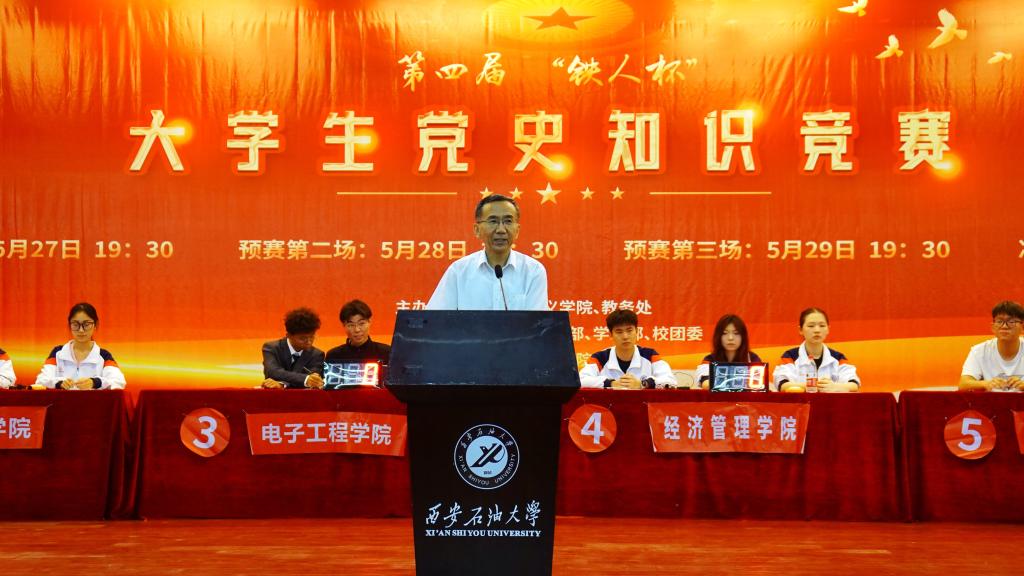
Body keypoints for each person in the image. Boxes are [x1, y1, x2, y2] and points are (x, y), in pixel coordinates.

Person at [427, 194, 548, 310]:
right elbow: (435, 318)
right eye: (493, 221)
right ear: (477, 230)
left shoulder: (533, 271)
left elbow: (538, 322)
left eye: (508, 221)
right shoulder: (459, 271)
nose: (501, 230)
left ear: (517, 230)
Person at [35, 302, 126, 390]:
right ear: (69, 325)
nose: (81, 330)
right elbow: (41, 381)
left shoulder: (103, 355)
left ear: (95, 325)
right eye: (75, 324)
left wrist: (95, 382)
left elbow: (119, 382)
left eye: (86, 325)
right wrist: (59, 383)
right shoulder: (58, 353)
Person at [580, 309, 678, 389]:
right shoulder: (599, 357)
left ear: (637, 331)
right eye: (619, 332)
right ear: (611, 334)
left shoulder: (650, 355)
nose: (625, 336)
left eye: (629, 330)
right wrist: (611, 383)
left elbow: (671, 381)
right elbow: (581, 380)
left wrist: (643, 384)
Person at [773, 308, 859, 392]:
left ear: (828, 329)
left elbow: (854, 384)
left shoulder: (838, 358)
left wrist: (835, 386)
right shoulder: (790, 356)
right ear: (800, 330)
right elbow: (782, 384)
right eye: (811, 326)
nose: (817, 330)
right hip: (801, 401)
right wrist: (813, 386)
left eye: (822, 326)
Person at [959, 300, 1024, 391]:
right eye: (999, 321)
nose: (1004, 326)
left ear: (1022, 327)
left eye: (1011, 321)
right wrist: (986, 383)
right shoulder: (979, 351)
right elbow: (963, 385)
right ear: (993, 327)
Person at [262, 307, 325, 389]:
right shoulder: (271, 348)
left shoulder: (317, 355)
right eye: (302, 338)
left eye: (312, 337)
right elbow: (273, 372)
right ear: (288, 335)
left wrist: (282, 384)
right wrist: (305, 379)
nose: (309, 341)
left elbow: (313, 380)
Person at [695, 314, 764, 389]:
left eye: (736, 333)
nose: (730, 338)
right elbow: (705, 383)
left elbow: (757, 385)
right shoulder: (710, 359)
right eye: (725, 333)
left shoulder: (753, 359)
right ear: (718, 336)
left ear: (743, 337)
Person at [325, 300, 391, 364]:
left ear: (370, 322)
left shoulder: (386, 353)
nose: (357, 330)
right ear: (344, 325)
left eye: (361, 323)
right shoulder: (333, 356)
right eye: (351, 325)